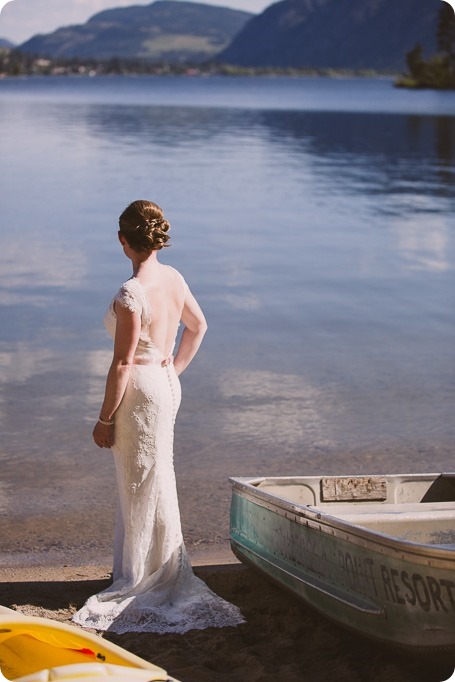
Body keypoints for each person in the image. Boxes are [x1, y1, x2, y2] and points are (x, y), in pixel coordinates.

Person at [72, 200, 244, 634]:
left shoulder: (131, 294)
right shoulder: (173, 277)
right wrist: (174, 368)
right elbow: (199, 326)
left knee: (138, 481)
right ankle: (155, 564)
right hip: (165, 385)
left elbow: (123, 365)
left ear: (122, 240)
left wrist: (104, 419)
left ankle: (144, 575)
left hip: (140, 393)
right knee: (156, 476)